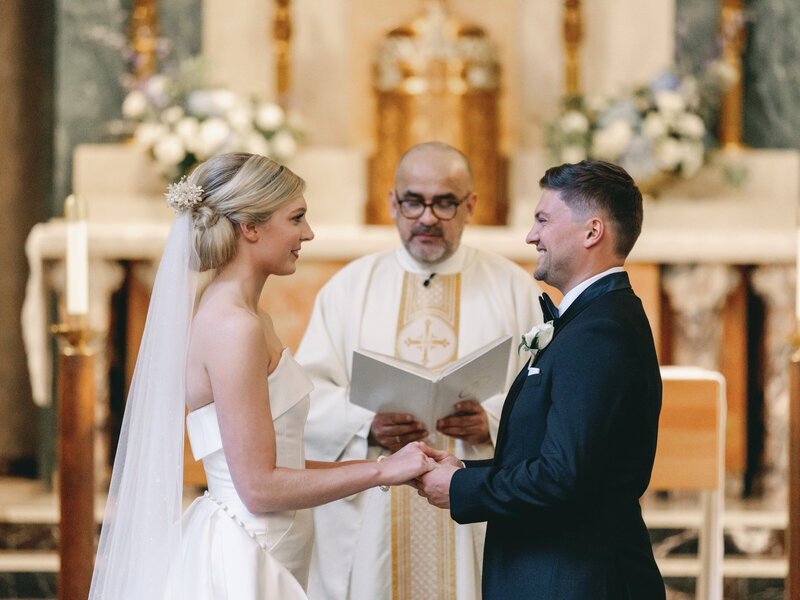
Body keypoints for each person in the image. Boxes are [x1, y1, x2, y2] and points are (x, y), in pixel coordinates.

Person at [88, 153, 434, 600]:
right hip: (249, 556)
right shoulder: (236, 329)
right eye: (296, 218)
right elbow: (259, 487)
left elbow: (275, 464)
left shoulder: (248, 318)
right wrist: (382, 470)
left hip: (271, 544)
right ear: (250, 227)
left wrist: (392, 467)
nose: (308, 233)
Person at [296, 142, 542, 600]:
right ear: (393, 202)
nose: (427, 217)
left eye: (445, 202)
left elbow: (544, 394)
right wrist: (366, 423)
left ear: (470, 206)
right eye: (413, 200)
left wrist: (490, 421)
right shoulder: (350, 288)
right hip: (374, 509)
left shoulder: (513, 289)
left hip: (477, 498)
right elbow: (306, 396)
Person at [417, 160, 666, 599]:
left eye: (542, 220)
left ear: (592, 232)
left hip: (576, 580)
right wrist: (464, 468)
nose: (531, 236)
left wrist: (461, 488)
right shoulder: (596, 319)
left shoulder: (599, 332)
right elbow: (567, 461)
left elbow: (563, 475)